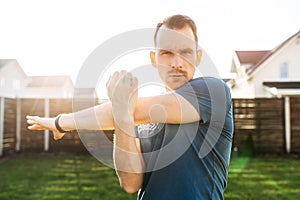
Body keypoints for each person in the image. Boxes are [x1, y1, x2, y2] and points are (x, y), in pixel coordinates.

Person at [27, 14, 234, 199]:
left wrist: (60, 122)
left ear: (197, 57)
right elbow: (130, 183)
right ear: (153, 59)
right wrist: (123, 118)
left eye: (186, 52)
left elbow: (134, 110)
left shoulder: (213, 91)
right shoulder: (138, 119)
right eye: (166, 53)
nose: (176, 62)